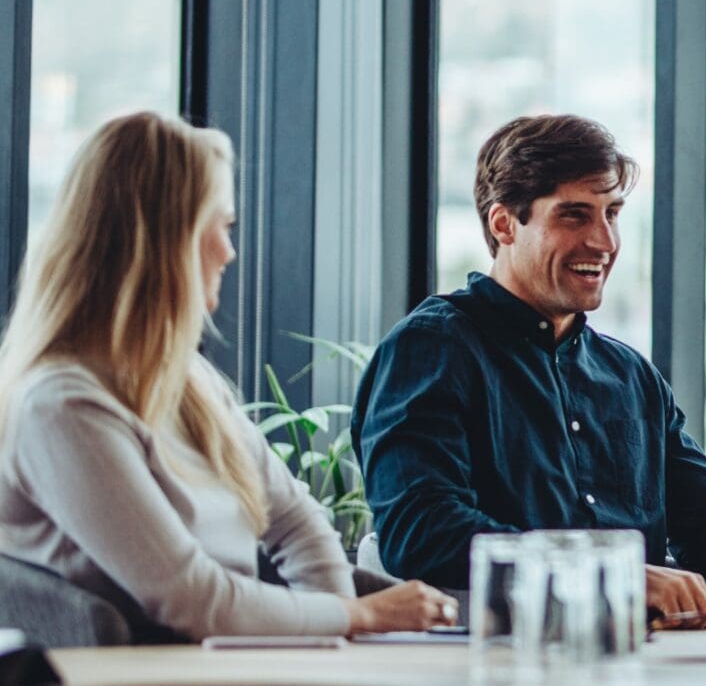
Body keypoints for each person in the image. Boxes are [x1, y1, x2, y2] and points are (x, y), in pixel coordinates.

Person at [0, 112, 455, 640]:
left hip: (217, 671)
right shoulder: (62, 407)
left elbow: (295, 520)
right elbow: (191, 599)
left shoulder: (187, 380)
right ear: (166, 241)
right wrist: (359, 615)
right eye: (222, 226)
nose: (229, 251)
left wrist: (334, 636)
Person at [356, 114, 706, 628]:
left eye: (612, 214)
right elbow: (423, 532)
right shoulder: (432, 349)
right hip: (492, 673)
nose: (605, 242)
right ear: (504, 224)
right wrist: (610, 574)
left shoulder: (630, 375)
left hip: (646, 668)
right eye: (574, 216)